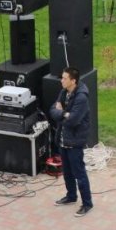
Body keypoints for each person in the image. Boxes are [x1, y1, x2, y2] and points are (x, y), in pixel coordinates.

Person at [50, 67, 93, 217]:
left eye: (64, 78)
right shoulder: (64, 92)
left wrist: (61, 113)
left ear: (73, 81)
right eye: (62, 77)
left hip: (75, 141)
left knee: (79, 173)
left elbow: (74, 120)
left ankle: (87, 203)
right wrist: (64, 113)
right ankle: (71, 196)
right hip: (63, 139)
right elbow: (52, 110)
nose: (61, 80)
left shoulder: (81, 98)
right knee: (67, 172)